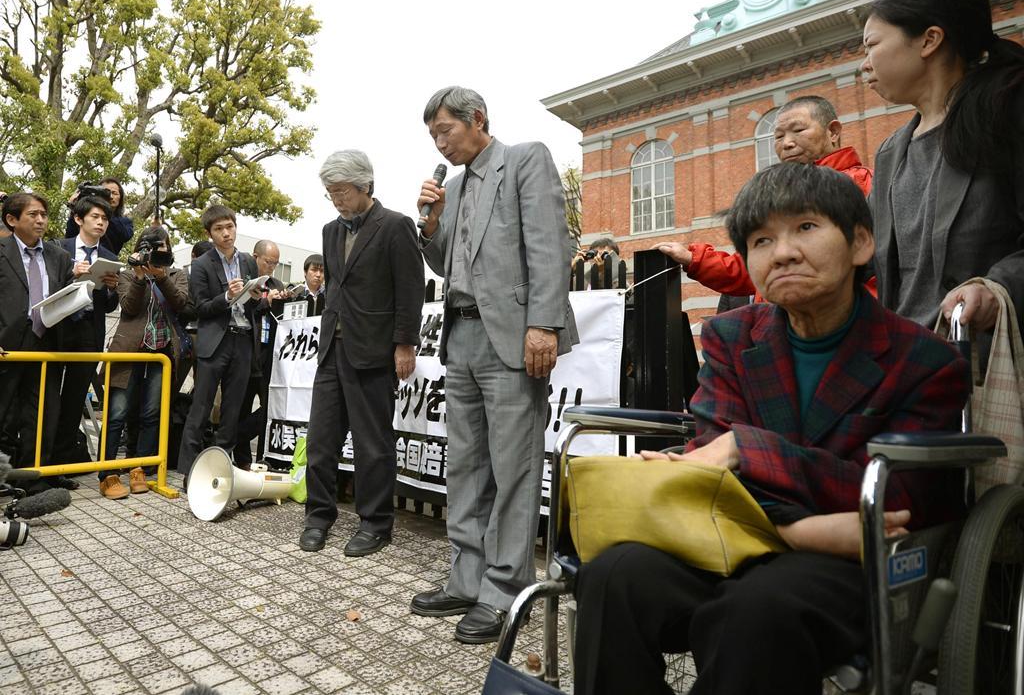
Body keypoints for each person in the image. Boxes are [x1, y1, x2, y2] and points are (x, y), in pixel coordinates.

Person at [572, 163, 970, 695]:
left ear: (860, 242)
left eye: (806, 227)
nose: (782, 252)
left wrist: (745, 449)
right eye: (761, 240)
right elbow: (710, 470)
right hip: (744, 538)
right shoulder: (731, 338)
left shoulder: (923, 361)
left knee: (757, 609)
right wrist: (794, 527)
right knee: (614, 576)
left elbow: (897, 501)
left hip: (847, 566)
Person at [411, 86, 578, 644]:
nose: (439, 141)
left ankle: (505, 589)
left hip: (511, 335)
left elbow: (548, 242)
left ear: (477, 119)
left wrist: (544, 323)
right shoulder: (453, 187)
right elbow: (443, 262)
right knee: (466, 466)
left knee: (514, 468)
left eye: (445, 130)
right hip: (460, 337)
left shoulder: (525, 158)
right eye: (432, 134)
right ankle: (468, 577)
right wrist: (430, 225)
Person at [862, 0, 1024, 331]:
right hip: (912, 366)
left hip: (989, 365)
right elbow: (864, 252)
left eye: (871, 45)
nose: (865, 63)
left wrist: (999, 289)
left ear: (929, 40)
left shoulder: (1009, 111)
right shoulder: (891, 152)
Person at [298, 150, 423, 557]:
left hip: (373, 348)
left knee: (373, 444)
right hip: (332, 348)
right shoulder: (331, 231)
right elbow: (335, 285)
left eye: (341, 191)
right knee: (320, 441)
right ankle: (319, 516)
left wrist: (404, 344)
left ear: (364, 186)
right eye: (330, 192)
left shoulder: (396, 226)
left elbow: (410, 288)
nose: (336, 199)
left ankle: (375, 523)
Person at [656, 95, 874, 301]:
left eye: (798, 130)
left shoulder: (864, 184)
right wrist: (694, 259)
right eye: (778, 136)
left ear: (833, 132)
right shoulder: (780, 192)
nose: (787, 143)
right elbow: (755, 268)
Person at [99, 227, 191, 499]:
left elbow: (181, 304)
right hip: (129, 352)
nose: (156, 252)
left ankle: (139, 468)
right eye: (151, 247)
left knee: (151, 414)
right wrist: (140, 278)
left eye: (162, 247)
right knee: (116, 414)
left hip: (161, 355)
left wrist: (161, 278)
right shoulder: (128, 274)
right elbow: (128, 308)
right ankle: (108, 473)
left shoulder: (176, 275)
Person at [176, 204, 262, 484]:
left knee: (233, 409)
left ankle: (220, 468)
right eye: (219, 229)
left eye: (230, 227)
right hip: (215, 341)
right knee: (200, 407)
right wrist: (227, 297)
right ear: (209, 233)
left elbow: (252, 302)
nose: (226, 233)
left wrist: (258, 296)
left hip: (243, 339)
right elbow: (199, 307)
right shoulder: (201, 265)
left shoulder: (248, 261)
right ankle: (189, 471)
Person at [0, 193, 73, 488]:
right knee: (4, 414)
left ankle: (33, 480)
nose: (41, 220)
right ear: (12, 220)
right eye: (33, 214)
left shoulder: (59, 256)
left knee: (41, 415)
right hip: (6, 347)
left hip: (48, 344)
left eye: (43, 213)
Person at [50, 193, 121, 475]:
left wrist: (113, 287)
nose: (101, 223)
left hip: (91, 328)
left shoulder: (110, 257)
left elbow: (112, 305)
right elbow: (46, 288)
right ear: (78, 219)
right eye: (95, 217)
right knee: (48, 395)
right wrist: (71, 273)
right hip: (59, 326)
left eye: (105, 218)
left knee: (75, 398)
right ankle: (41, 461)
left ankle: (63, 466)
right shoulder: (59, 249)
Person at [237, 239, 287, 467]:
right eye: (268, 261)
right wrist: (265, 301)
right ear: (255, 256)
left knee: (269, 410)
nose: (272, 267)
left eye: (276, 263)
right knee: (241, 407)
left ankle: (263, 458)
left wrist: (283, 301)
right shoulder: (244, 281)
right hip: (246, 353)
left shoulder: (277, 284)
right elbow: (243, 312)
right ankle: (242, 459)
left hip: (269, 356)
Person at [64, 178, 134, 255]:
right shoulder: (87, 218)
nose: (110, 196)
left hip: (107, 262)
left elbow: (125, 235)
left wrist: (107, 211)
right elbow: (70, 235)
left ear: (120, 197)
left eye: (114, 193)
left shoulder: (125, 222)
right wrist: (74, 206)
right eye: (106, 192)